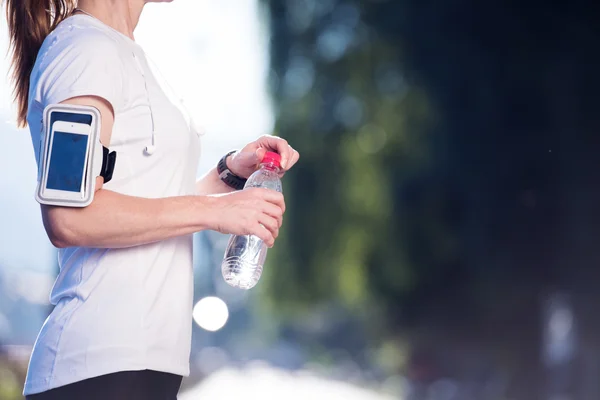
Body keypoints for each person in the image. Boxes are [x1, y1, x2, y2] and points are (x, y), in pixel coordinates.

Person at [5, 0, 300, 399]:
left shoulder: (123, 51)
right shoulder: (84, 52)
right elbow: (69, 217)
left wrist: (229, 174)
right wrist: (217, 212)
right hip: (97, 367)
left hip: (143, 367)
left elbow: (147, 203)